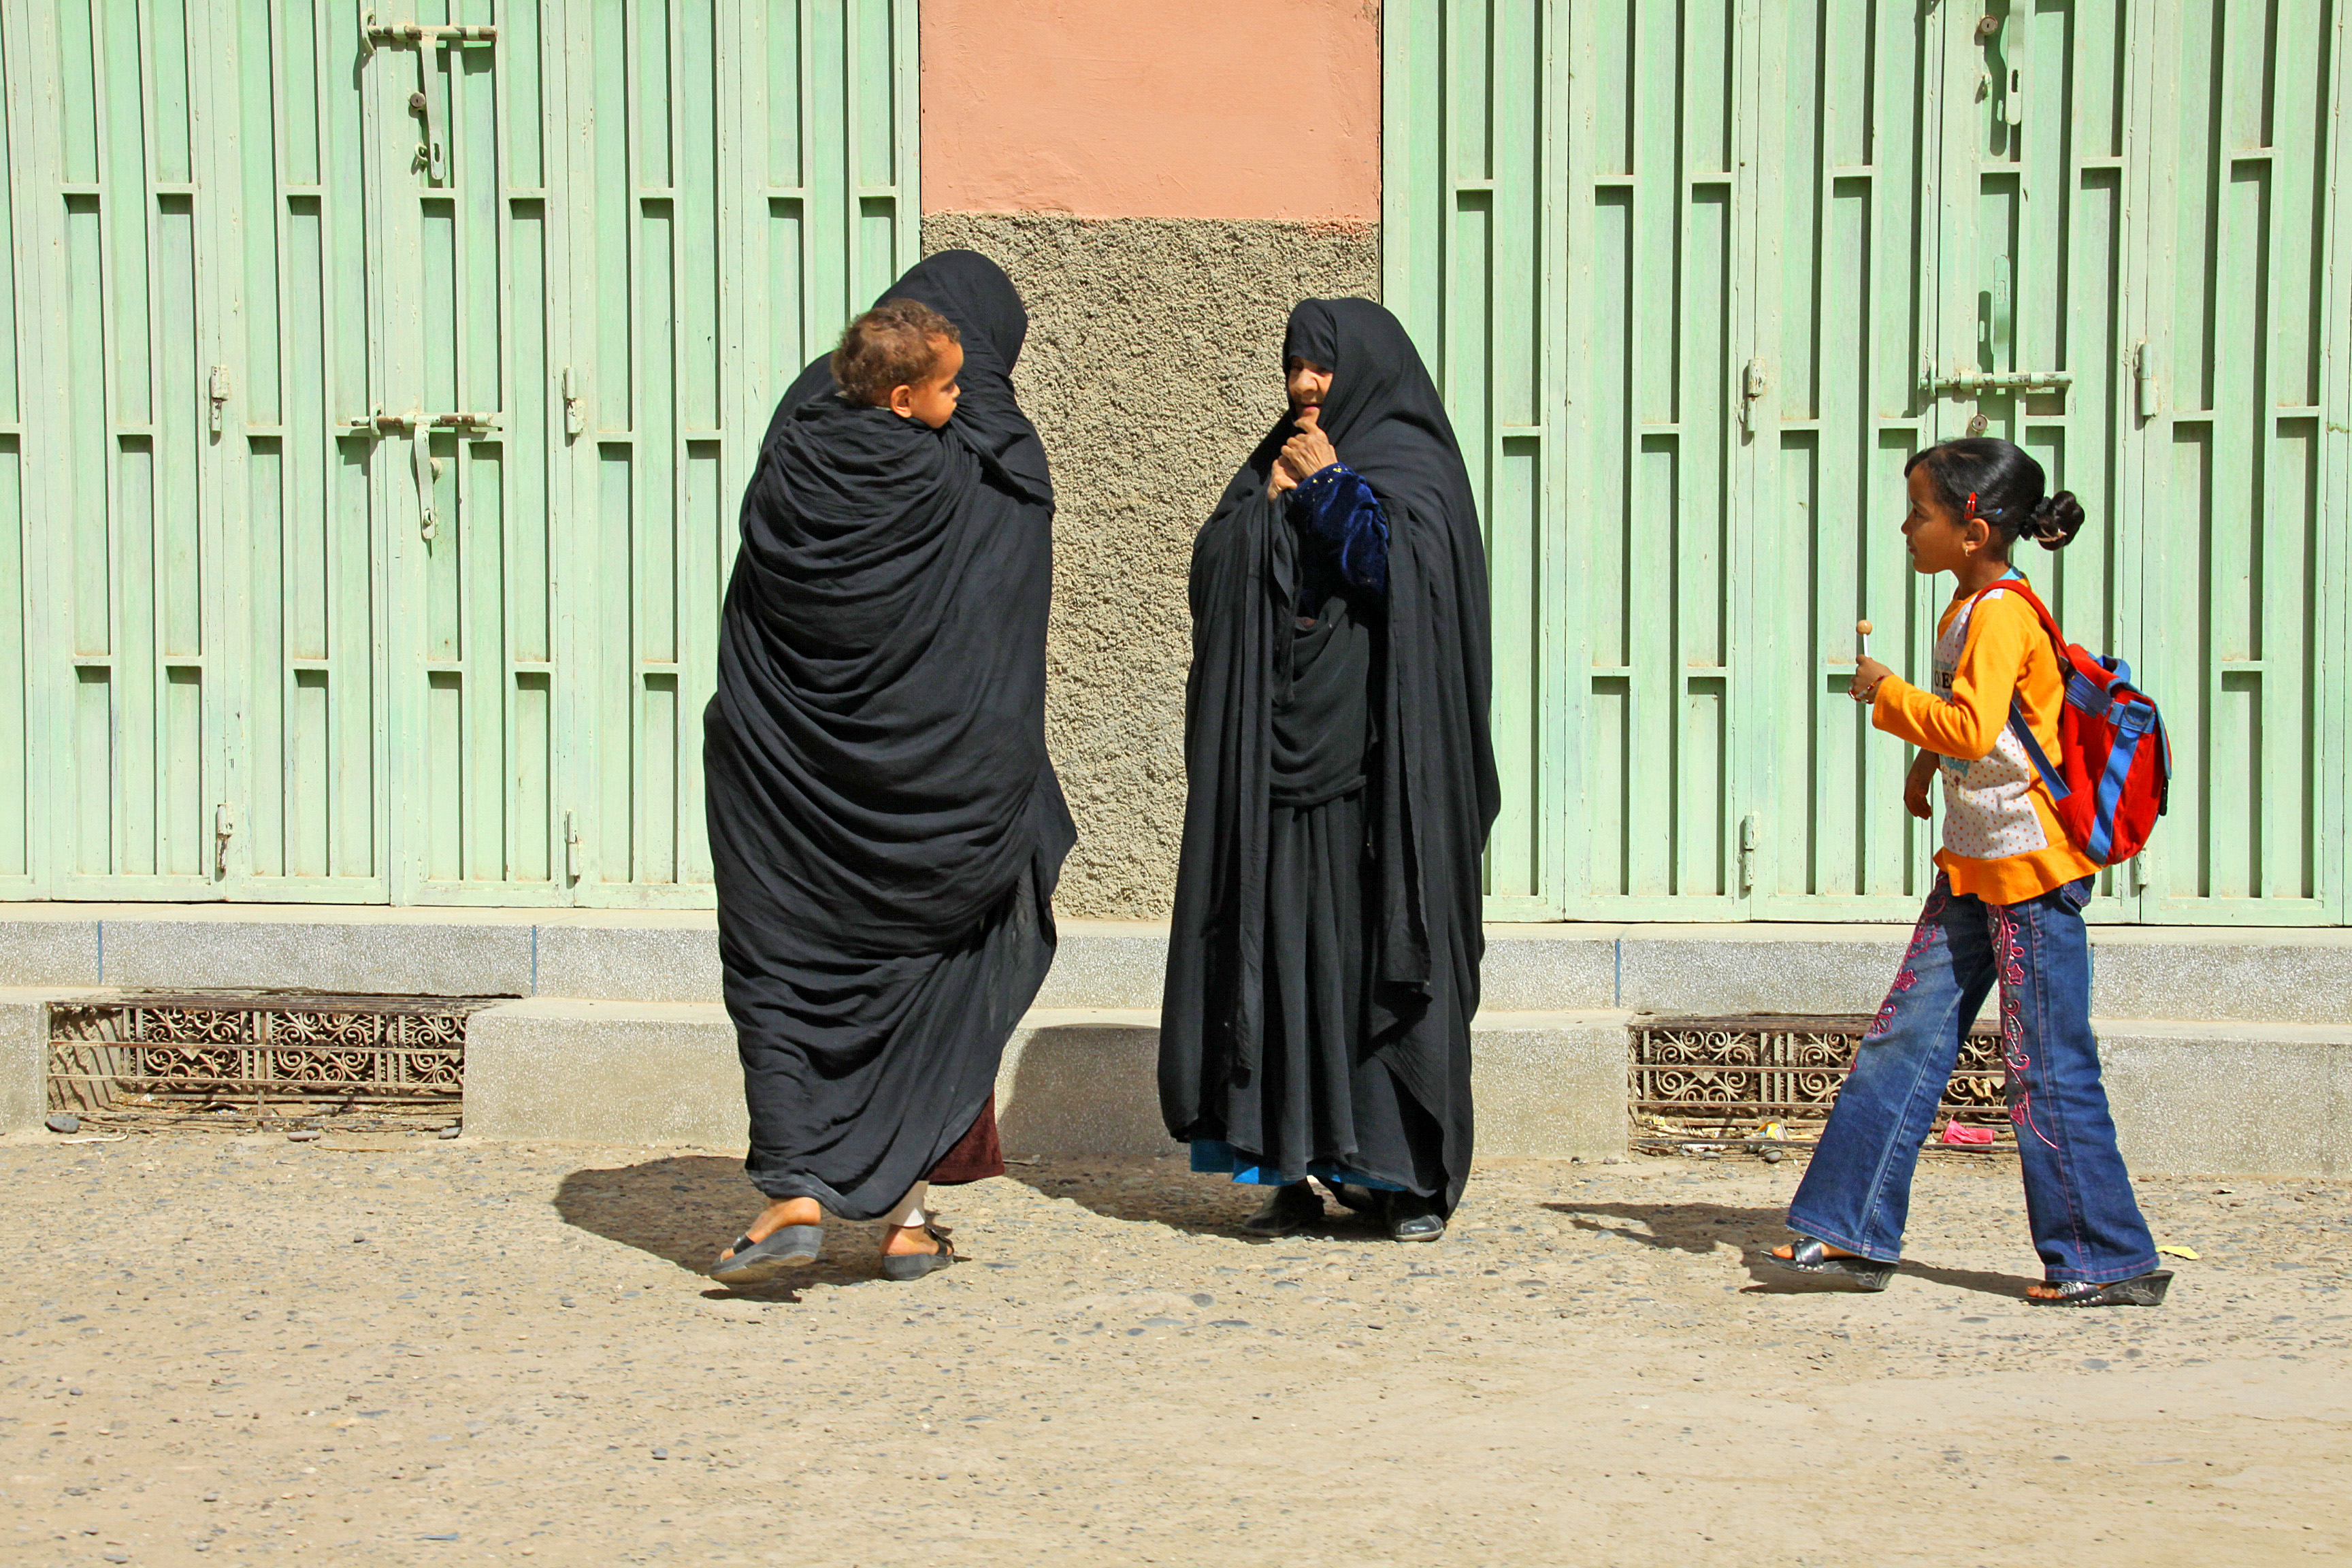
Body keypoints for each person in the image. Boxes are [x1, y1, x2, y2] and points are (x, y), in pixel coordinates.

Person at [704, 252, 1072, 1286]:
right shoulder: (989, 457)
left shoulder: (802, 430)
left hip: (787, 785)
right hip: (942, 801)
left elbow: (762, 594)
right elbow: (1002, 616)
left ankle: (793, 1190)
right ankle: (907, 1222)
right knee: (938, 980)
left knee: (786, 975)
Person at [1771, 437, 2170, 1307]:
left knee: (2045, 1067)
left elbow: (1971, 727)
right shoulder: (1966, 605)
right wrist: (1925, 766)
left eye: (1919, 513)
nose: (1906, 528)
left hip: (2031, 876)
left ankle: (2107, 1258)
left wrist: (1885, 693)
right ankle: (1850, 1230)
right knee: (1903, 1041)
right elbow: (1976, 722)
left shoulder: (2001, 615)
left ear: (1972, 530)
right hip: (1974, 865)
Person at [1160, 298, 1498, 1243]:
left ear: (1369, 372)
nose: (1304, 384)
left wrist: (1335, 489)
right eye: (1293, 366)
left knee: (1372, 963)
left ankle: (1403, 1178)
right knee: (1277, 959)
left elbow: (1413, 584)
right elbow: (1213, 573)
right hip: (1275, 764)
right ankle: (1288, 1166)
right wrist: (1269, 511)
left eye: (1322, 367)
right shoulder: (1272, 462)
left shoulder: (1415, 467)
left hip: (1381, 778)